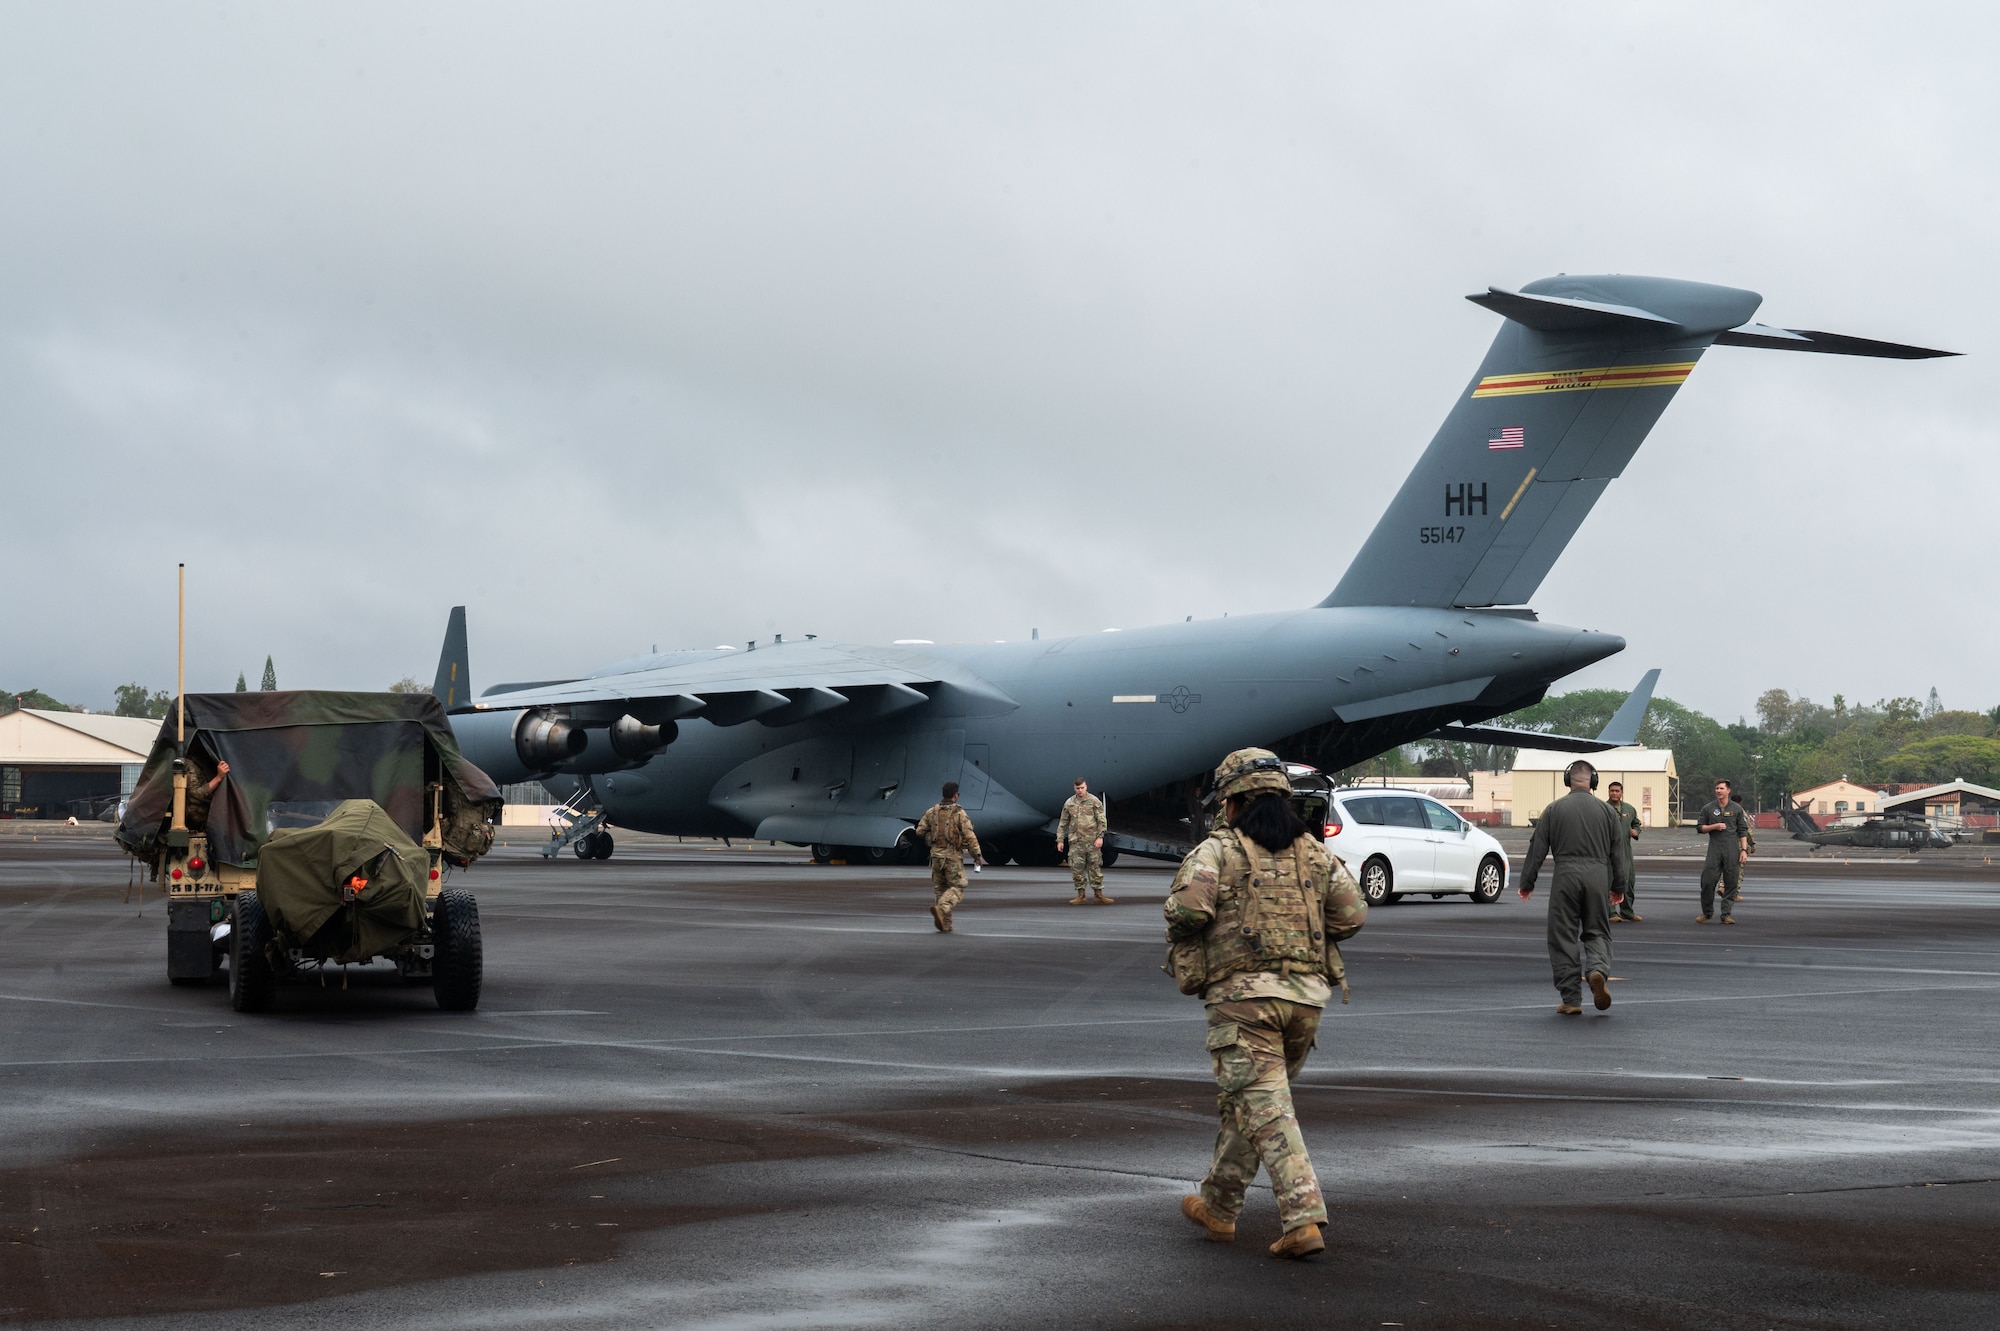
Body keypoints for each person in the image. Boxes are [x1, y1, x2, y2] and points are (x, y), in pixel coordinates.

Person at [1165, 748, 1367, 1260]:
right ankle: (1218, 1205)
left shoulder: (1218, 850)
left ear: (1231, 802)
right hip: (1306, 1001)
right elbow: (1351, 916)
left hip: (1243, 1003)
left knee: (1267, 1109)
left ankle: (1303, 1217)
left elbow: (1187, 911)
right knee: (1254, 1105)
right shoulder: (1315, 853)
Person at [1518, 759, 1628, 1016]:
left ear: (1569, 780)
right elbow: (1618, 853)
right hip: (1598, 875)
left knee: (1563, 936)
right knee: (1597, 930)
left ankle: (1571, 999)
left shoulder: (1554, 809)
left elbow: (1537, 849)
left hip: (1565, 875)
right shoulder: (1608, 812)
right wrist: (1618, 886)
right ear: (1594, 781)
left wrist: (1527, 882)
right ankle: (1597, 971)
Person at [915, 782, 982, 933]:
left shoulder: (932, 811)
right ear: (955, 795)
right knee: (959, 885)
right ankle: (941, 909)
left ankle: (945, 924)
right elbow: (969, 835)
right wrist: (977, 855)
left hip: (936, 857)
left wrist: (931, 838)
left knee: (941, 889)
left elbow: (919, 831)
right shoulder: (959, 813)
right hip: (952, 857)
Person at [1696, 779, 1750, 924]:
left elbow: (1742, 831)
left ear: (1728, 791)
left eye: (1721, 788)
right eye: (1717, 788)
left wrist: (1744, 850)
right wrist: (1714, 826)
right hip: (1714, 849)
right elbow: (1700, 828)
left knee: (1731, 882)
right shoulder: (1708, 808)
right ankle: (1707, 913)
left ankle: (1726, 914)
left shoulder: (1737, 809)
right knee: (1707, 881)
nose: (1718, 791)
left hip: (1732, 849)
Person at [1055, 777, 1114, 905]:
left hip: (1092, 842)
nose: (1080, 791)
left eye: (1082, 788)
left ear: (1086, 787)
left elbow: (1101, 820)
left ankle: (1098, 895)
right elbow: (1063, 823)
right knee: (1077, 869)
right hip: (1076, 842)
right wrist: (1060, 840)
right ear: (1074, 788)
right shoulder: (1069, 803)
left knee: (1095, 868)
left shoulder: (1094, 801)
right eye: (1078, 788)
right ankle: (1081, 895)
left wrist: (1100, 837)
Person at [1604, 781, 1643, 922]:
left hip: (1625, 850)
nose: (1614, 793)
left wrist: (1636, 831)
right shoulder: (1603, 808)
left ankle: (1627, 911)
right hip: (1608, 851)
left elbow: (1636, 823)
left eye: (1617, 791)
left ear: (1621, 793)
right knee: (1610, 880)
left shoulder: (1629, 809)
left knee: (1629, 880)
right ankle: (1611, 912)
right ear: (1608, 792)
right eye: (1612, 791)